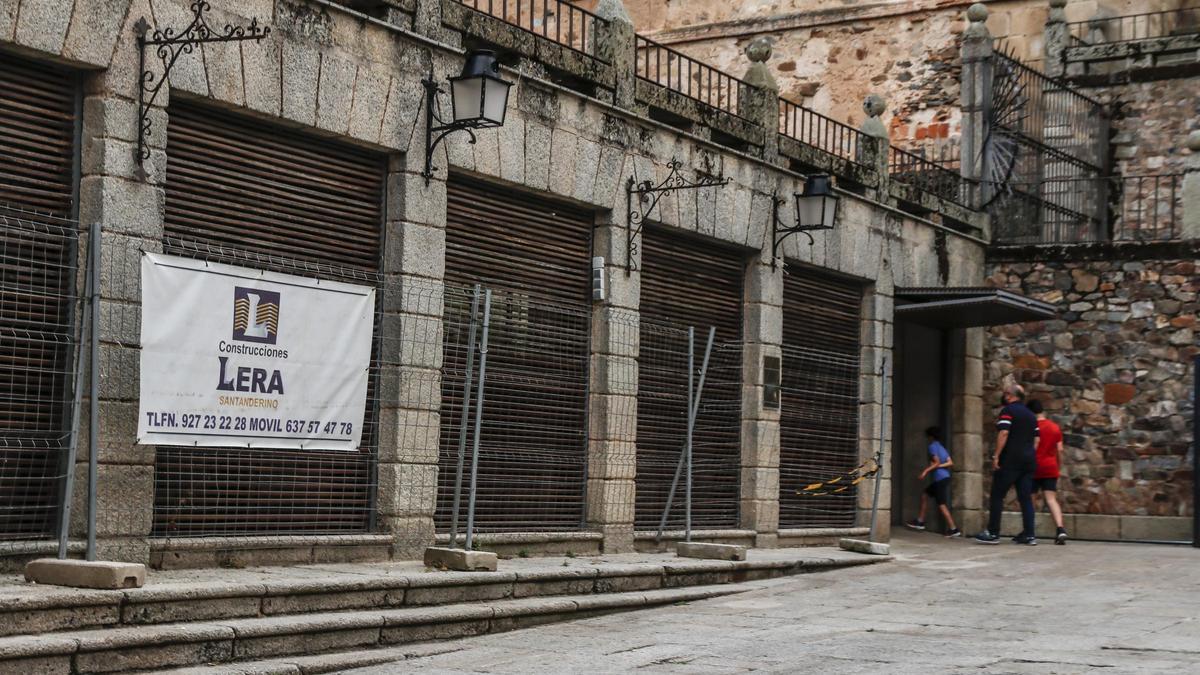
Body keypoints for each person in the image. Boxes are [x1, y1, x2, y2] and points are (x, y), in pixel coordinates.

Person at [975, 383, 1040, 545]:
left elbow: (1004, 432)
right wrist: (1028, 453)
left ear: (1010, 396)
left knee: (997, 495)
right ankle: (1029, 534)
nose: (1004, 396)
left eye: (1005, 394)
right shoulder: (1032, 416)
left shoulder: (1008, 411)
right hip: (1028, 461)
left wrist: (996, 456)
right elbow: (1037, 440)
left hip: (1010, 461)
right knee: (1025, 498)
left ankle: (993, 532)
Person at [905, 426, 961, 537]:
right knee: (925, 495)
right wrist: (939, 465)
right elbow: (950, 462)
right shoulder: (941, 447)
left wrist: (925, 471)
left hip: (940, 479)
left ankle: (953, 529)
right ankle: (920, 521)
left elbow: (936, 462)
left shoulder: (932, 447)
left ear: (930, 437)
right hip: (944, 478)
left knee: (942, 504)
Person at [1027, 399, 1068, 545]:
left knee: (1029, 500)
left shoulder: (1031, 426)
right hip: (1051, 467)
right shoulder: (1055, 427)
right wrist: (1059, 466)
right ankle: (1060, 529)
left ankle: (1029, 531)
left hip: (1033, 467)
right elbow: (1060, 450)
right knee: (1051, 499)